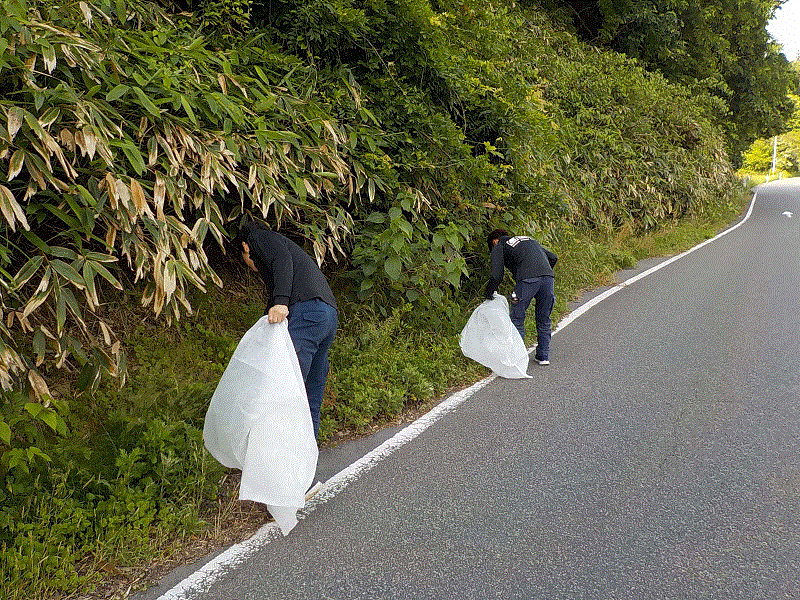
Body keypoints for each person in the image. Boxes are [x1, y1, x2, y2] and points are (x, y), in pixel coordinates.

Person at [235, 222, 338, 438]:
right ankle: (307, 455)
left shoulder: (258, 237)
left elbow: (281, 260)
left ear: (245, 247)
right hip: (327, 317)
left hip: (307, 313)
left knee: (286, 388)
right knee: (309, 395)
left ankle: (279, 452)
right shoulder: (289, 257)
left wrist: (281, 302)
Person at [485, 228, 557, 365]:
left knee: (517, 318)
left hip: (526, 281)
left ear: (494, 241)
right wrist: (542, 275)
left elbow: (496, 275)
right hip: (548, 279)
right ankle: (543, 356)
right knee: (544, 318)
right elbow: (553, 257)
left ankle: (517, 359)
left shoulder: (500, 245)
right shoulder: (526, 240)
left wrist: (489, 293)